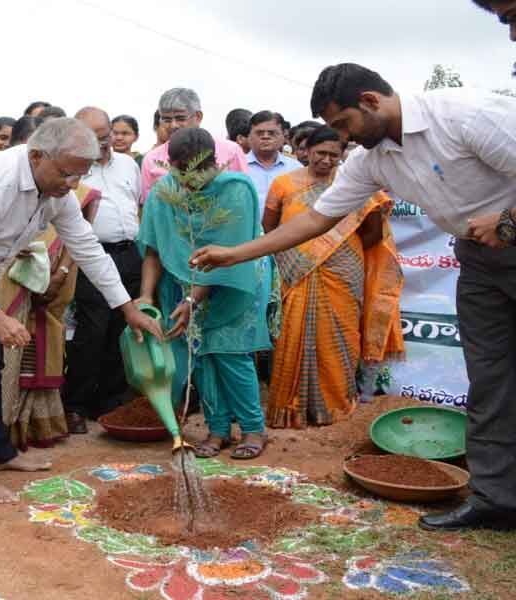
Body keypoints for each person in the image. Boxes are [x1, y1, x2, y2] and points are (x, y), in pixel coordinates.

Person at [191, 63, 516, 531]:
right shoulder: (372, 159)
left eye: (343, 125)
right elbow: (315, 220)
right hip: (480, 259)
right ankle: (495, 498)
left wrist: (507, 222)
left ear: (370, 101)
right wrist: (235, 254)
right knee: (490, 379)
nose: (341, 140)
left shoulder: (463, 114)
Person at [0, 118, 162, 504]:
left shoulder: (57, 189)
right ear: (37, 155)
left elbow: (87, 247)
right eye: (67, 174)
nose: (71, 185)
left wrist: (127, 307)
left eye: (79, 176)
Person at [138, 128, 272, 460]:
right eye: (180, 170)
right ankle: (218, 430)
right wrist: (145, 297)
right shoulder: (164, 193)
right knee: (200, 356)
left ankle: (254, 429)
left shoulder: (235, 190)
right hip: (181, 285)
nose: (188, 179)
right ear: (170, 164)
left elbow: (225, 259)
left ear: (214, 163)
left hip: (234, 281)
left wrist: (191, 299)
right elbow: (153, 251)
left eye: (196, 170)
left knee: (230, 352)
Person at [262, 126, 404, 428]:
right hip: (293, 270)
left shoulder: (353, 184)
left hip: (343, 269)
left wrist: (339, 250)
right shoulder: (283, 184)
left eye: (333, 156)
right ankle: (292, 409)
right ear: (305, 152)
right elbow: (270, 228)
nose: (326, 160)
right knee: (291, 332)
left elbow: (373, 231)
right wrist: (297, 255)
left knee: (342, 333)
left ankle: (335, 403)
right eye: (319, 153)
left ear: (342, 157)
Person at [0, 114, 96, 449]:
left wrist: (59, 274)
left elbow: (81, 243)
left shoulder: (67, 193)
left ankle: (27, 432)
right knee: (1, 358)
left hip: (51, 286)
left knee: (37, 349)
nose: (69, 179)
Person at [62, 107, 143, 433]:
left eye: (106, 135)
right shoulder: (74, 169)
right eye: (95, 139)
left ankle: (110, 402)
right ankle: (76, 405)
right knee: (92, 331)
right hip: (93, 257)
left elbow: (136, 203)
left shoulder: (128, 165)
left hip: (129, 253)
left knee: (121, 330)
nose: (104, 143)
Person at [140, 88, 247, 202]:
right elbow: (150, 207)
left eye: (180, 118)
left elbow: (243, 199)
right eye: (166, 119)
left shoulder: (231, 151)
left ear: (198, 116)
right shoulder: (152, 159)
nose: (173, 125)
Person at [245, 110, 302, 218]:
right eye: (259, 133)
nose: (265, 137)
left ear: (283, 137)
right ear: (249, 136)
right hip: (247, 232)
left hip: (287, 232)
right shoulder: (236, 166)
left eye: (272, 133)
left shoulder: (296, 168)